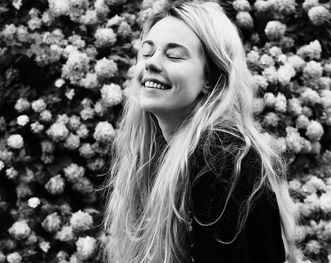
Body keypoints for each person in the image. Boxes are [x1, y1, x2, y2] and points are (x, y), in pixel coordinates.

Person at [100, 1, 306, 262]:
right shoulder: (164, 153)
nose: (151, 64)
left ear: (210, 78)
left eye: (173, 55)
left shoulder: (221, 156)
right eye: (147, 53)